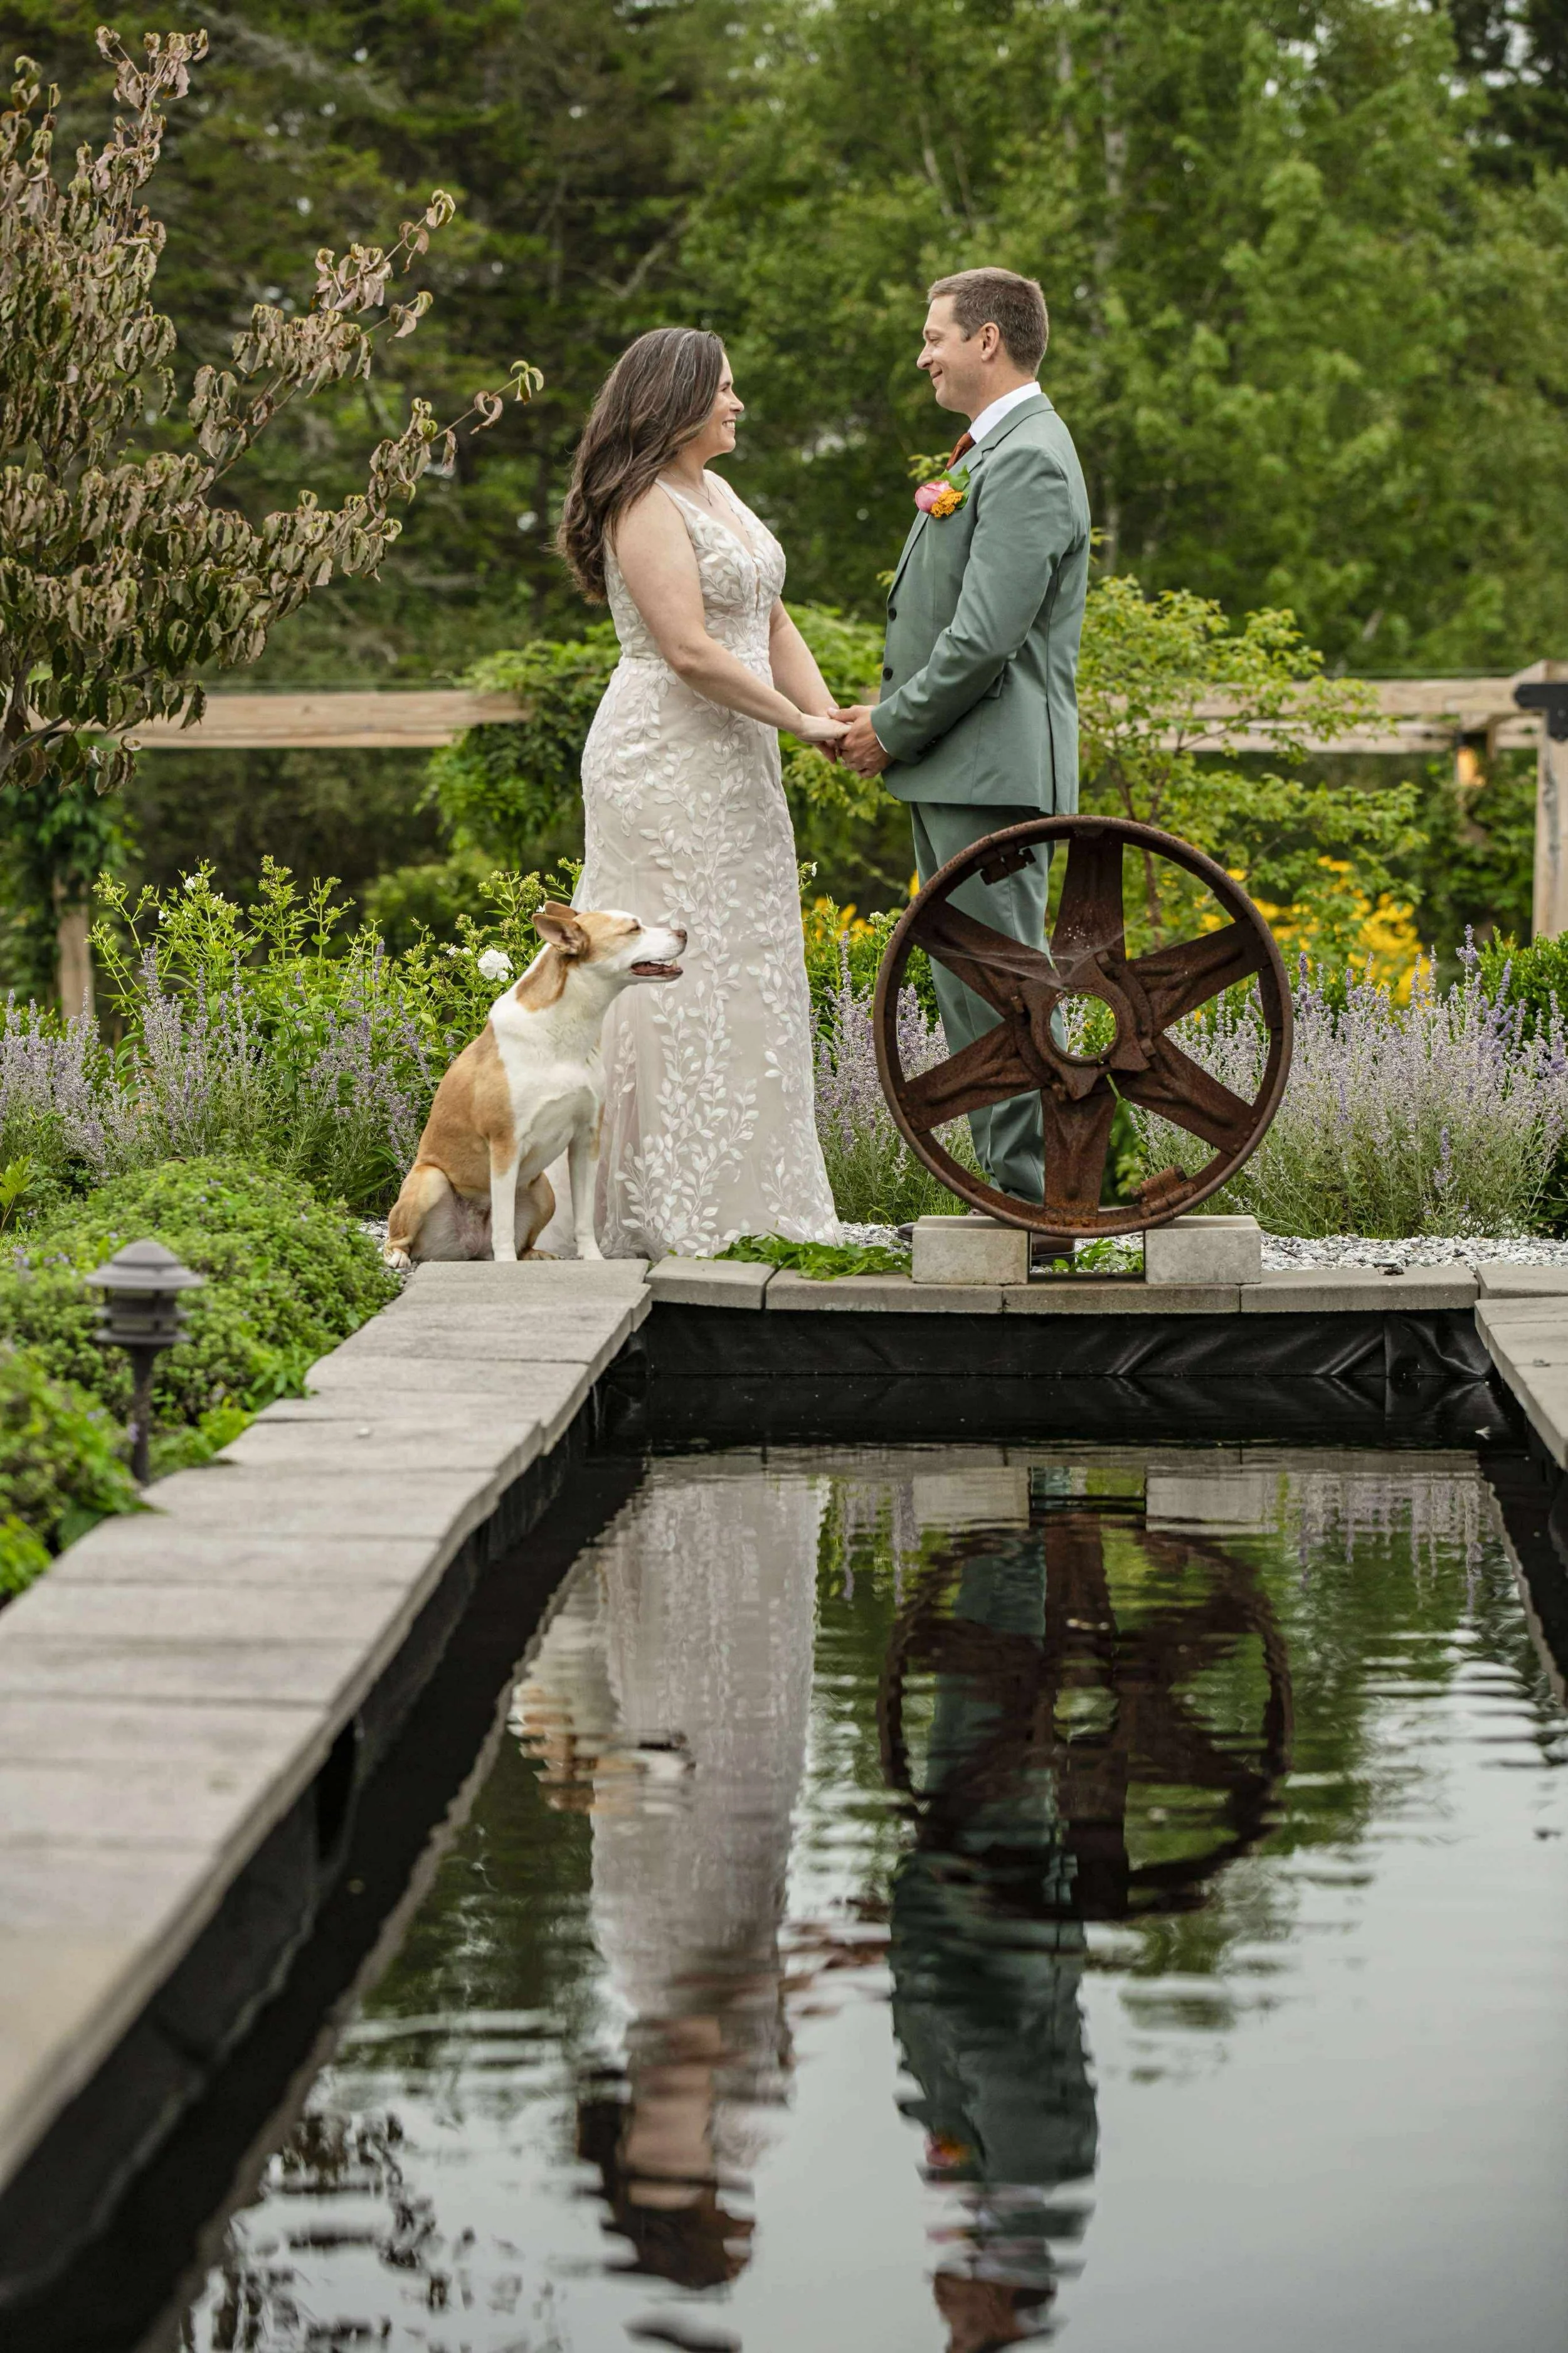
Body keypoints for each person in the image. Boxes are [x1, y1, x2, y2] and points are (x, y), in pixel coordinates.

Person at [555, 327, 845, 1259]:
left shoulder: (716, 490)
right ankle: (653, 1206)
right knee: (665, 968)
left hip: (737, 759)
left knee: (748, 962)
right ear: (676, 401)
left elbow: (770, 614)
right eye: (724, 390)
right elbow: (686, 649)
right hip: (663, 760)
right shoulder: (642, 501)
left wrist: (827, 718)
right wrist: (796, 726)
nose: (738, 403)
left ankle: (759, 1201)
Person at [838, 268, 1091, 1206]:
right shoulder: (993, 450)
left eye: (934, 336)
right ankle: (1010, 1196)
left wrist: (891, 730)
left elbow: (986, 637)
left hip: (990, 773)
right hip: (961, 769)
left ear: (988, 340)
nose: (924, 355)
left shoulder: (1026, 456)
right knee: (971, 990)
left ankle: (1033, 1204)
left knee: (1000, 990)